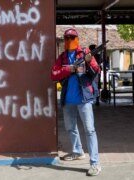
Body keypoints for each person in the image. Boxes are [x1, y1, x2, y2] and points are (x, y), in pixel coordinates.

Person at [51, 28, 101, 176]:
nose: (69, 40)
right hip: (68, 98)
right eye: (66, 38)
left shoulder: (85, 53)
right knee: (70, 128)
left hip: (84, 98)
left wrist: (88, 62)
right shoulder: (62, 57)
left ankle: (95, 163)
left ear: (77, 39)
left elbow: (96, 69)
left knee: (90, 130)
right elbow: (54, 74)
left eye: (72, 37)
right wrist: (69, 70)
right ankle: (78, 151)